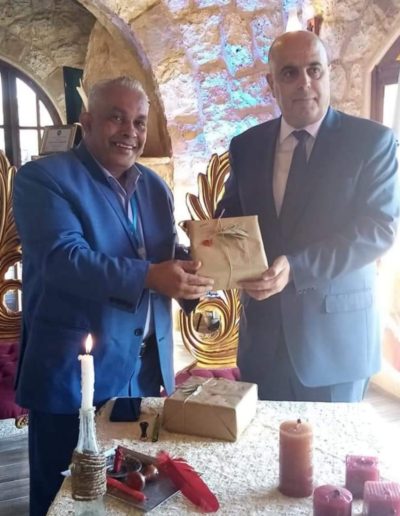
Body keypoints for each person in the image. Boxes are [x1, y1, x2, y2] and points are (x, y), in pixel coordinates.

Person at [13, 76, 213, 516]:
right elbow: (65, 260)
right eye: (116, 118)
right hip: (72, 376)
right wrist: (152, 276)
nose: (130, 132)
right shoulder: (42, 178)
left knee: (130, 497)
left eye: (139, 122)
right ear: (86, 122)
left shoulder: (155, 187)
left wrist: (205, 270)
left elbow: (163, 257)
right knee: (63, 498)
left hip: (143, 374)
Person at [216, 30, 399, 403]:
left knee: (331, 444)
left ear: (329, 73)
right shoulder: (246, 146)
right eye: (289, 73)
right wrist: (211, 247)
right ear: (271, 84)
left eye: (314, 70)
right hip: (262, 341)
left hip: (337, 343)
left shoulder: (372, 142)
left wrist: (296, 267)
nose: (304, 83)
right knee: (265, 442)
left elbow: (379, 230)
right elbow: (231, 214)